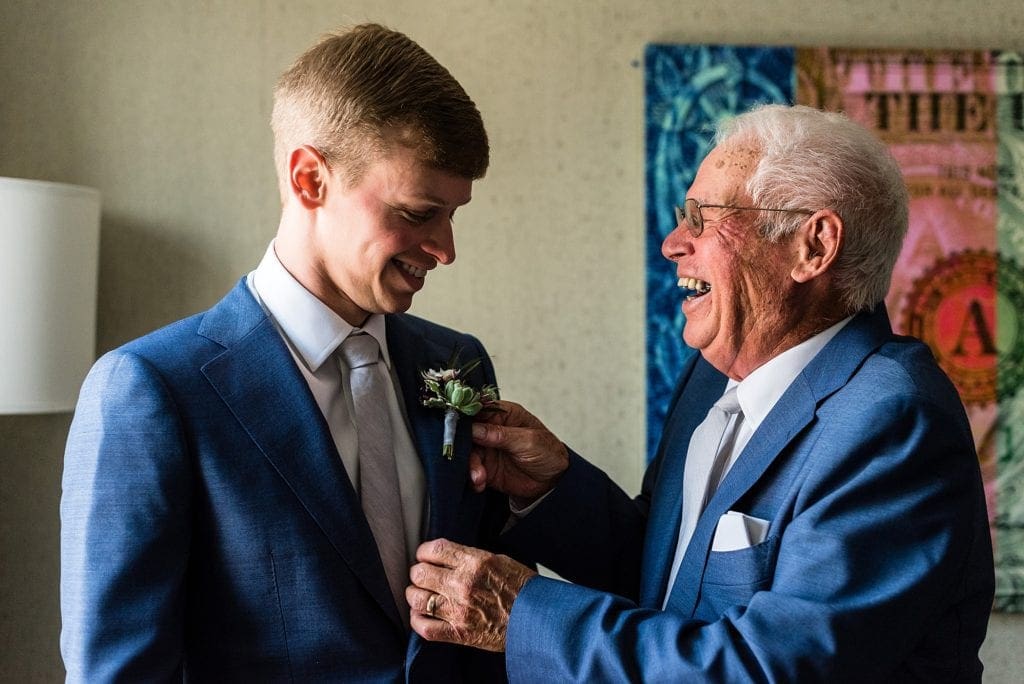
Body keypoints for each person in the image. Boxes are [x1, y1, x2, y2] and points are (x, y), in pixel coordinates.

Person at [406, 104, 995, 681]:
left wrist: (522, 616)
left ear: (812, 246)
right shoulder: (710, 375)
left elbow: (767, 668)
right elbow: (672, 580)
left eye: (701, 216)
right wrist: (553, 488)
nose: (672, 243)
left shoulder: (894, 419)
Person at [60, 23, 509, 681]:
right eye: (418, 213)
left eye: (453, 215)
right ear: (309, 179)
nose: (445, 249)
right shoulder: (151, 390)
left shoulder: (458, 363)